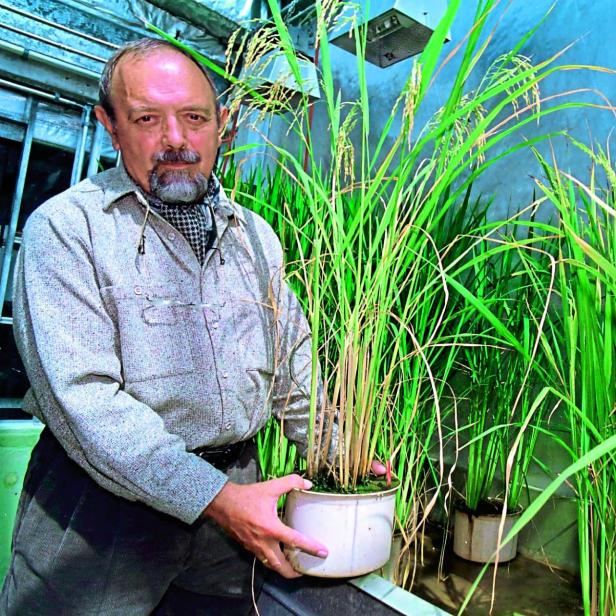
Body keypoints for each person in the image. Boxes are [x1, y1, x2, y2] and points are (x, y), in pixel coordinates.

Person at [0, 37, 330, 615]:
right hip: (102, 514)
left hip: (233, 506)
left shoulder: (255, 236)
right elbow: (86, 400)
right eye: (147, 118)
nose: (176, 140)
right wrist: (214, 498)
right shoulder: (68, 229)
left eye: (195, 118)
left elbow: (292, 364)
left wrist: (339, 451)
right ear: (109, 125)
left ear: (222, 125)